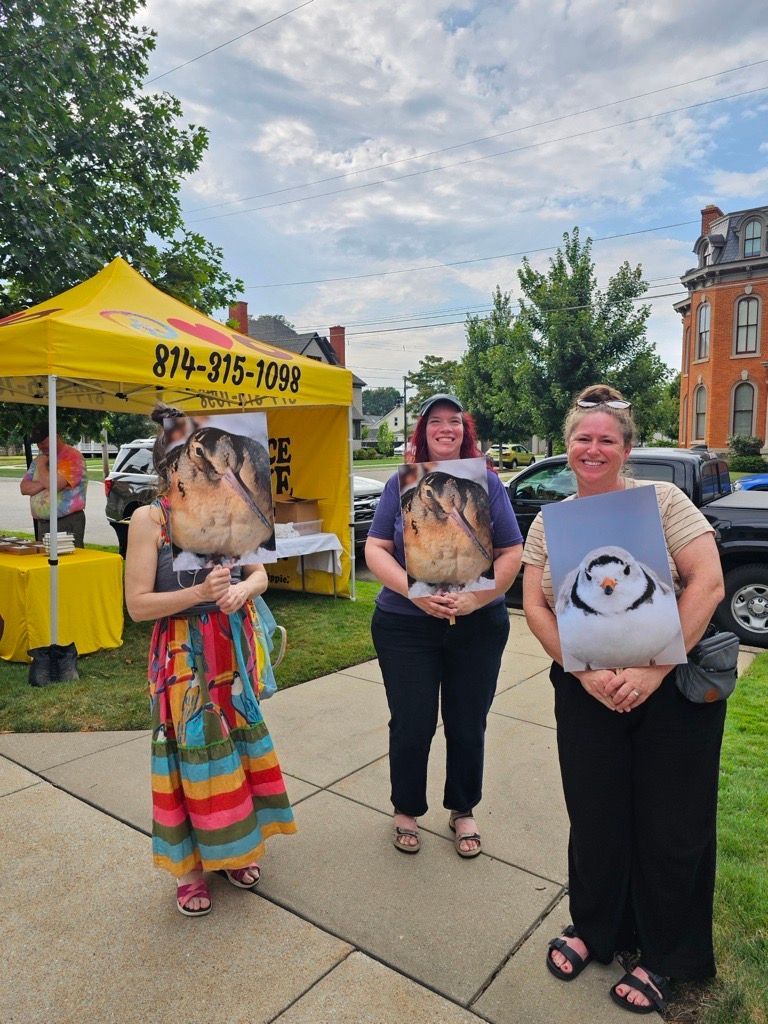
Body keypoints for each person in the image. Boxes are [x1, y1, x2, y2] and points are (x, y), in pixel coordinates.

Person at [522, 384, 726, 1014]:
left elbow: (708, 583)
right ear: (567, 447)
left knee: (672, 824)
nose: (593, 448)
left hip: (671, 692)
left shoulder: (662, 501)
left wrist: (653, 668)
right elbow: (534, 605)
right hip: (585, 690)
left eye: (606, 439)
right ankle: (596, 927)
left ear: (626, 448)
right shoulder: (549, 522)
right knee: (595, 816)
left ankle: (666, 954)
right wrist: (581, 672)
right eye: (582, 438)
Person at [124, 408, 295, 917]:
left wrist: (243, 590)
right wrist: (198, 593)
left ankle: (234, 849)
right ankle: (191, 868)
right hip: (181, 651)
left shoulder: (228, 510)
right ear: (169, 466)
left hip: (229, 648)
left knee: (235, 748)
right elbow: (137, 606)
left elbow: (259, 574)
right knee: (192, 751)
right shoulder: (150, 520)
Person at [365, 394, 523, 857]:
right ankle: (406, 808)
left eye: (455, 421)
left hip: (477, 625)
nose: (446, 428)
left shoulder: (487, 483)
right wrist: (413, 592)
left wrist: (477, 599)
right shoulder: (401, 484)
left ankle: (463, 808)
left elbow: (511, 551)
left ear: (464, 431)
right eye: (436, 421)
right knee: (412, 724)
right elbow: (376, 547)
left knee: (468, 723)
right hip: (405, 626)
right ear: (424, 431)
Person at [20, 424, 87, 547]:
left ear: (56, 437)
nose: (40, 446)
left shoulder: (72, 457)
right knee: (45, 558)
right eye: (37, 442)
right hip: (43, 523)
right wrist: (46, 483)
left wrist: (41, 466)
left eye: (43, 442)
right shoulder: (40, 459)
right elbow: (24, 488)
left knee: (65, 558)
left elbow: (54, 485)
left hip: (66, 521)